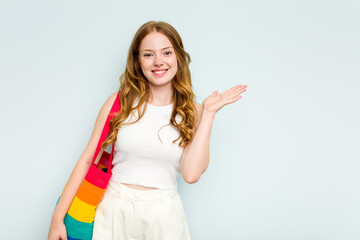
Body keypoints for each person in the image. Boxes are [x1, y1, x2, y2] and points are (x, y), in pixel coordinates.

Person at [48, 20, 247, 240]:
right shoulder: (119, 103)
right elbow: (88, 160)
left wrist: (209, 114)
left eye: (167, 53)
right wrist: (57, 219)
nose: (158, 62)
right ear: (138, 61)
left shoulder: (194, 111)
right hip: (114, 210)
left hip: (164, 216)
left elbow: (191, 174)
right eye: (148, 55)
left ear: (178, 57)